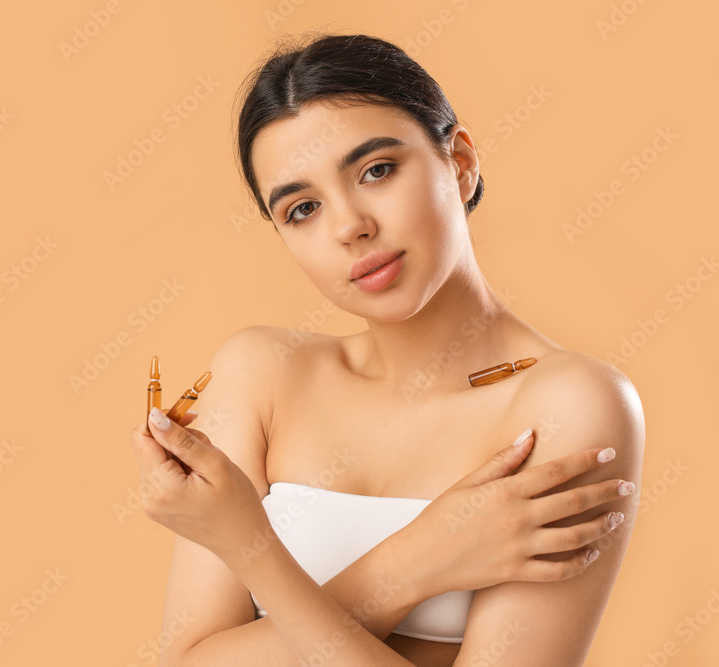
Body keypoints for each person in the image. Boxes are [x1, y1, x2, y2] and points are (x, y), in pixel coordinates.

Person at [129, 31, 644, 667]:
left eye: (377, 170)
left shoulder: (569, 404)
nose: (350, 227)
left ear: (459, 162)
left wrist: (249, 545)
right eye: (302, 209)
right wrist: (416, 562)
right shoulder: (261, 373)